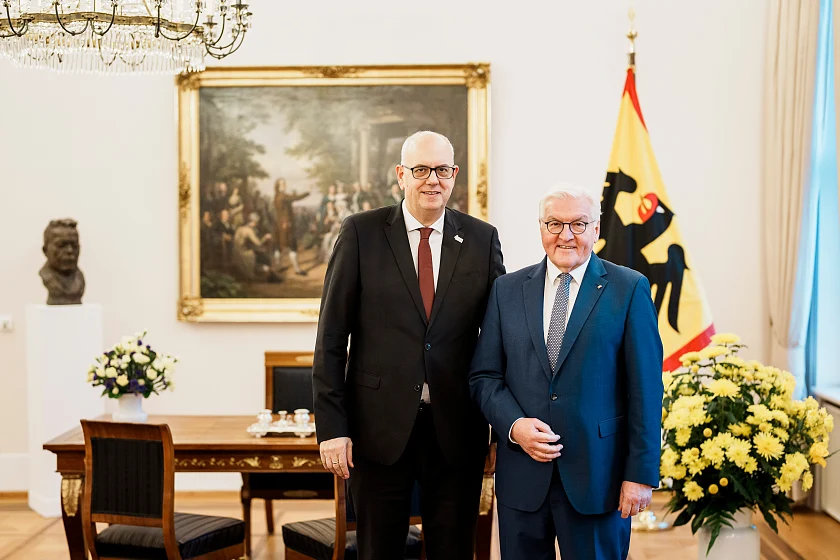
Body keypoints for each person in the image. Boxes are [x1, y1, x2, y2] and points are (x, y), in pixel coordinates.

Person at [313, 130, 505, 559]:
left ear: (454, 175)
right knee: (378, 551)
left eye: (441, 170)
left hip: (457, 430)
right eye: (421, 170)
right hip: (376, 431)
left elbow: (498, 340)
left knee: (453, 551)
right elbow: (331, 337)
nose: (432, 180)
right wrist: (333, 428)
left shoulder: (481, 238)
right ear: (401, 175)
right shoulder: (360, 232)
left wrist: (502, 425)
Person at [468, 185, 663, 560]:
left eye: (578, 224)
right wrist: (515, 426)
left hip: (599, 481)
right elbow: (484, 378)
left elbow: (646, 390)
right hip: (523, 479)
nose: (566, 235)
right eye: (554, 224)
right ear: (541, 227)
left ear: (596, 229)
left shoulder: (629, 289)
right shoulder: (506, 290)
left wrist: (640, 474)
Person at [39, 218, 85, 305]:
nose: (70, 250)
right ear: (45, 250)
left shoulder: (79, 279)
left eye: (74, 245)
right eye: (61, 245)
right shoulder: (46, 276)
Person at [272, 178, 308, 276]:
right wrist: (308, 192)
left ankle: (279, 266)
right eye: (282, 184)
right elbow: (295, 198)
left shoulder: (277, 196)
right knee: (292, 245)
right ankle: (297, 269)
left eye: (284, 183)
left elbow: (289, 201)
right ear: (278, 186)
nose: (284, 185)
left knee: (279, 246)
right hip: (286, 225)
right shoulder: (282, 196)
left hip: (279, 224)